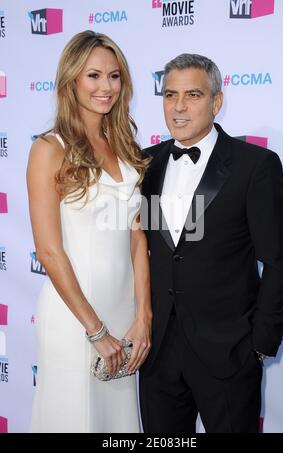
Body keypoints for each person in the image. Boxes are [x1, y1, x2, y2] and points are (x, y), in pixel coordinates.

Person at [139, 53, 283, 433]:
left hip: (229, 354)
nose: (178, 107)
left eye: (192, 95)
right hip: (158, 355)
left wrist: (258, 346)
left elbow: (278, 266)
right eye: (169, 94)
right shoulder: (145, 164)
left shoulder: (254, 166)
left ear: (217, 102)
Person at [27, 30, 152, 433]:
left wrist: (144, 316)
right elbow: (48, 251)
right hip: (75, 315)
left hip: (124, 312)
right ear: (71, 80)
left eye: (114, 76)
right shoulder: (49, 148)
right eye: (93, 76)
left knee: (117, 423)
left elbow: (137, 236)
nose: (106, 87)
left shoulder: (125, 144)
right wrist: (95, 330)